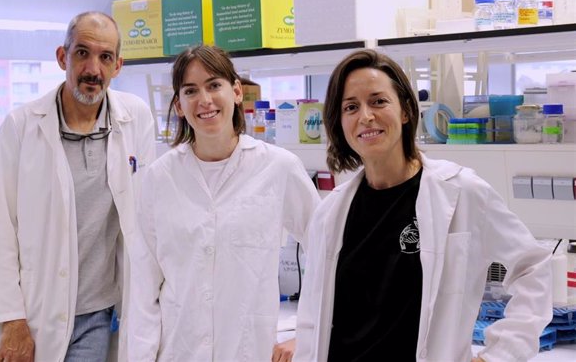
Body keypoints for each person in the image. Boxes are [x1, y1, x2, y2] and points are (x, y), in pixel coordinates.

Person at [294, 49, 552, 362]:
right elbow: (312, 320)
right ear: (340, 122)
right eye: (351, 106)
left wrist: (499, 355)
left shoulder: (461, 192)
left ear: (404, 110)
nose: (365, 116)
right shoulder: (331, 212)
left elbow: (534, 266)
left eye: (378, 101)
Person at [0, 11, 156, 362]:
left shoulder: (135, 119)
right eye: (82, 53)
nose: (93, 69)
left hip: (99, 316)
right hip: (35, 313)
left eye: (105, 58)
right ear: (63, 57)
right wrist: (12, 321)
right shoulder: (22, 127)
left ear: (118, 66)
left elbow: (146, 218)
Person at [126, 44, 320, 362]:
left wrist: (307, 334)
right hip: (178, 352)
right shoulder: (160, 177)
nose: (204, 100)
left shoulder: (278, 167)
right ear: (178, 105)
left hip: (249, 352)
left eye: (214, 85)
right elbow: (144, 285)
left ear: (237, 91)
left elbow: (328, 251)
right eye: (190, 91)